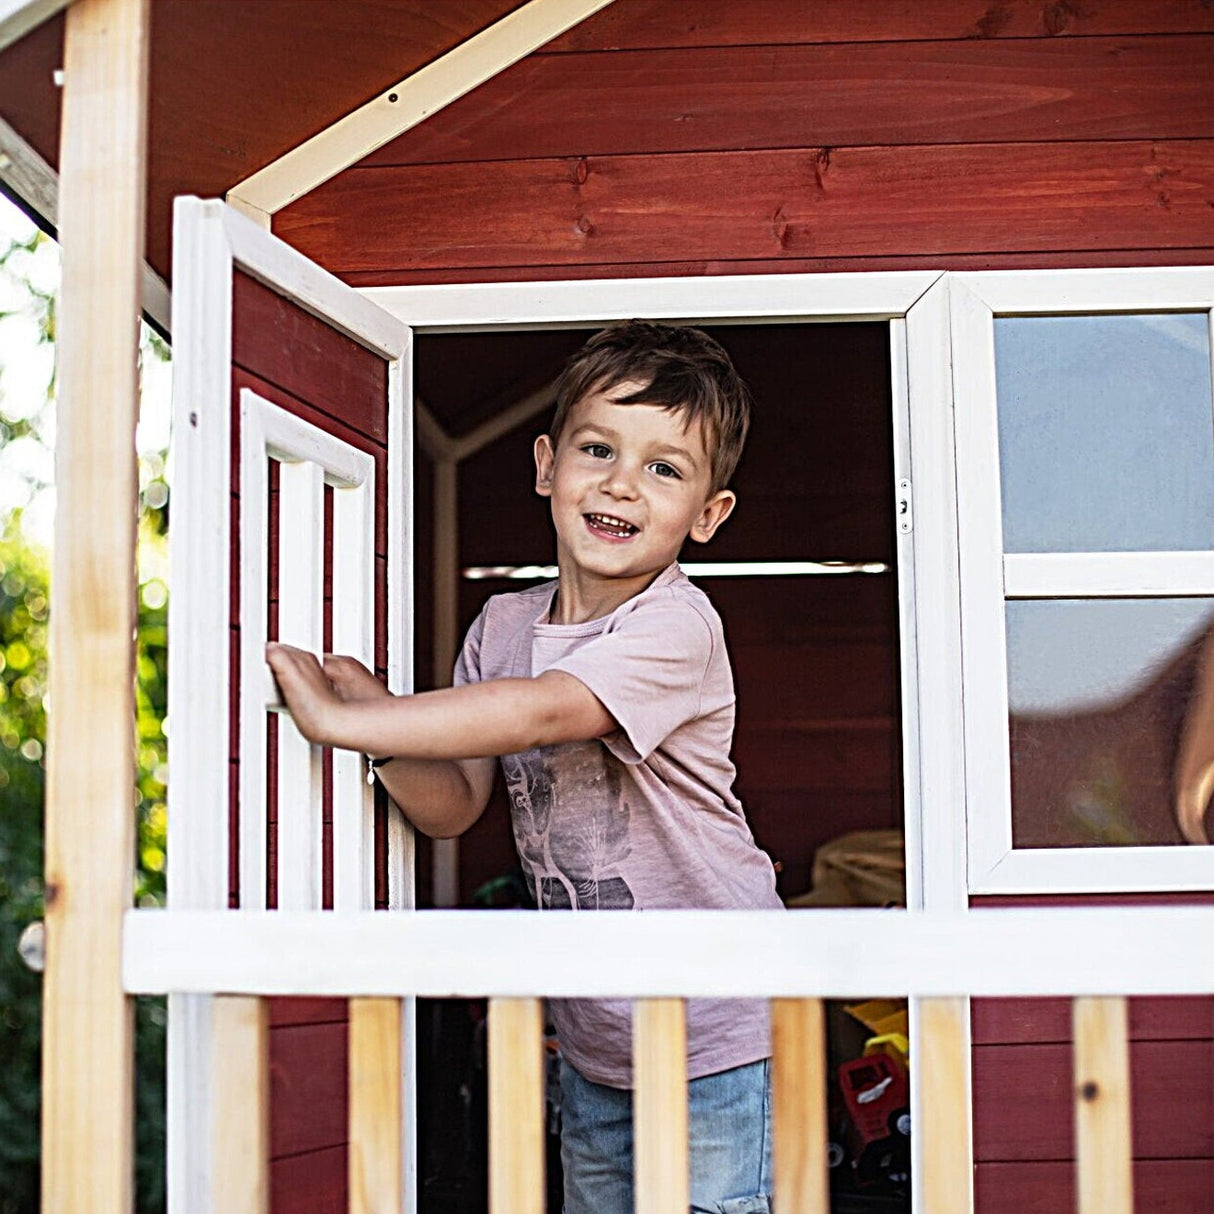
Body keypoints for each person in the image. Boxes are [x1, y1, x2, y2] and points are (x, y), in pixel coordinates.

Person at [267, 320, 783, 1214]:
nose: (622, 481)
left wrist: (361, 719)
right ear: (548, 465)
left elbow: (552, 706)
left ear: (709, 515)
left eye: (665, 468)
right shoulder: (502, 627)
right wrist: (378, 732)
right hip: (593, 1041)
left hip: (714, 1032)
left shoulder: (674, 624)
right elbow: (455, 804)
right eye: (598, 449)